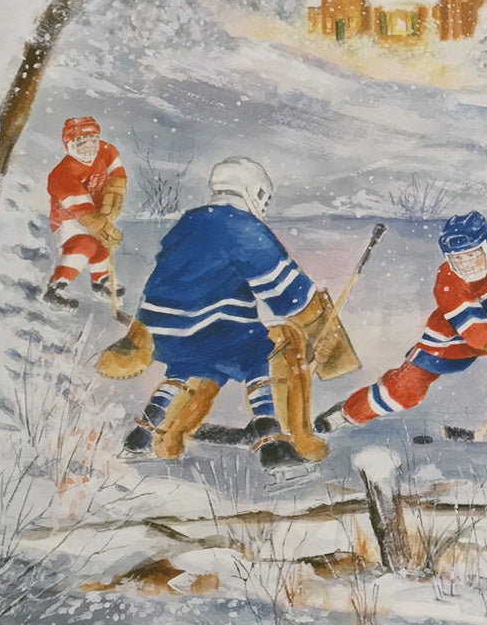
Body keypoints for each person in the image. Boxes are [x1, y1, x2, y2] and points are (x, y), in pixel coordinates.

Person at [97, 157, 346, 471]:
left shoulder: (190, 221)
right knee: (263, 353)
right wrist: (310, 304)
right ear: (254, 191)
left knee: (189, 367)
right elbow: (286, 292)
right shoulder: (242, 226)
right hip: (216, 329)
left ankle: (143, 435)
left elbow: (165, 273)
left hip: (163, 328)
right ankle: (273, 443)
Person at [319, 211, 487, 433]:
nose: (466, 265)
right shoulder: (449, 281)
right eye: (458, 259)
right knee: (406, 390)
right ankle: (348, 413)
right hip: (452, 340)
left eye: (473, 255)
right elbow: (473, 328)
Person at [44, 116, 127, 308]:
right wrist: (102, 226)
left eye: (93, 139)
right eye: (81, 142)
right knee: (85, 243)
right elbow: (83, 212)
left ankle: (101, 280)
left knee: (101, 242)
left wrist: (115, 191)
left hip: (95, 210)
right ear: (69, 144)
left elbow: (117, 174)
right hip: (68, 218)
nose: (89, 147)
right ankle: (57, 287)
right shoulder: (62, 174)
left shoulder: (106, 151)